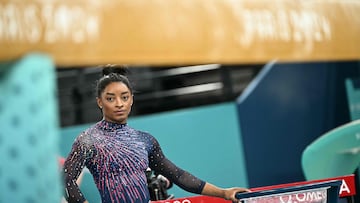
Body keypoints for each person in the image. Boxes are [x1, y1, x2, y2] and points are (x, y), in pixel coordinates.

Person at [63, 65, 250, 203]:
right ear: (99, 102)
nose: (119, 104)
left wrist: (223, 193)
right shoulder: (88, 140)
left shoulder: (145, 140)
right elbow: (67, 180)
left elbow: (178, 176)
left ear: (131, 100)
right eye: (111, 98)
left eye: (124, 97)